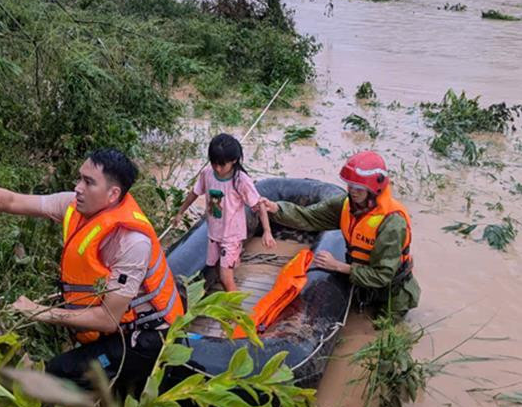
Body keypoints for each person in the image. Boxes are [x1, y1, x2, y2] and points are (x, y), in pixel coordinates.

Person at [0, 149, 184, 407]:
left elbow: (107, 319)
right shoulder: (74, 206)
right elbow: (10, 200)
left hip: (146, 339)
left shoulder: (131, 242)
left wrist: (39, 312)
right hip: (120, 330)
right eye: (79, 179)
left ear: (113, 194)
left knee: (58, 375)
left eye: (89, 182)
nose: (78, 188)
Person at [258, 151, 419, 320]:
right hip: (361, 282)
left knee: (380, 329)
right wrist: (276, 209)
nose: (352, 191)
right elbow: (309, 217)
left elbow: (382, 276)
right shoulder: (345, 204)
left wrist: (337, 266)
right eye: (350, 186)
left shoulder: (391, 223)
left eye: (358, 188)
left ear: (373, 189)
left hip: (390, 293)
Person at [171, 134, 274, 292]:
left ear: (233, 160)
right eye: (214, 163)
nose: (217, 168)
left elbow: (259, 204)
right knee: (219, 270)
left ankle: (237, 313)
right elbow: (194, 192)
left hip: (231, 235)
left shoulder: (240, 180)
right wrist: (180, 212)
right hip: (214, 232)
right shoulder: (207, 174)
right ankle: (231, 282)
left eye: (222, 165)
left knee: (226, 278)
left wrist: (267, 231)